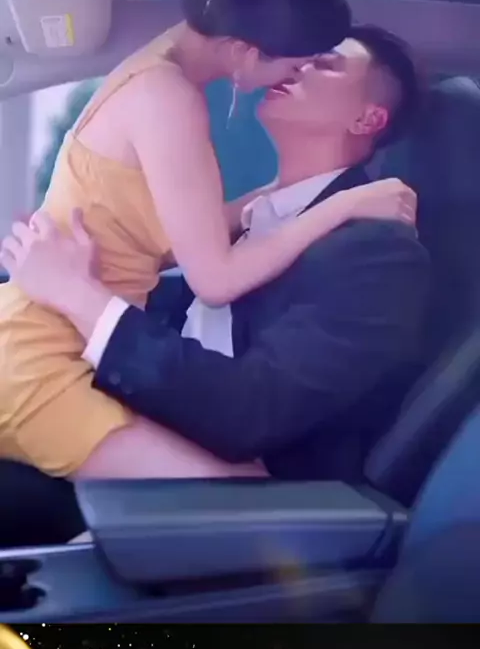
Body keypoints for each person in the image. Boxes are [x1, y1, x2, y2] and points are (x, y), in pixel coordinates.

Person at [1, 25, 429, 482]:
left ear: (367, 119)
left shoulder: (376, 254)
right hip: (139, 419)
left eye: (325, 63)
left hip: (226, 501)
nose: (299, 63)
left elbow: (251, 411)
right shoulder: (262, 218)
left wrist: (77, 294)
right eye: (303, 52)